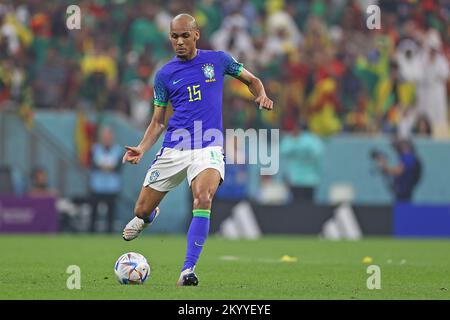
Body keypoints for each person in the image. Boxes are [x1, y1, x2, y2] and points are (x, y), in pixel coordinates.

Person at [121, 14, 273, 286]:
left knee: (203, 198)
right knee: (141, 210)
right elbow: (158, 121)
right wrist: (142, 148)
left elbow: (253, 80)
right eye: (174, 36)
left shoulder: (218, 60)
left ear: (196, 35)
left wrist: (260, 94)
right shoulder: (164, 75)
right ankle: (148, 217)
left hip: (209, 145)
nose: (179, 41)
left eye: (184, 36)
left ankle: (187, 270)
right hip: (174, 148)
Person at [280, 122, 324, 202]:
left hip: (303, 180)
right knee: (306, 206)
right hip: (302, 180)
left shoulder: (296, 139)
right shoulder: (314, 140)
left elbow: (284, 151)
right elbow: (283, 151)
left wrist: (296, 142)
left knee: (301, 207)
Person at [89, 126, 122, 233]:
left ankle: (110, 233)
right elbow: (92, 164)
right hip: (97, 186)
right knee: (93, 213)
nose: (107, 138)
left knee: (111, 214)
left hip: (112, 187)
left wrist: (106, 167)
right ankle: (91, 233)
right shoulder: (95, 149)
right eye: (105, 136)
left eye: (108, 136)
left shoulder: (118, 150)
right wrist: (104, 167)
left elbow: (119, 167)